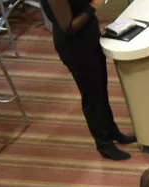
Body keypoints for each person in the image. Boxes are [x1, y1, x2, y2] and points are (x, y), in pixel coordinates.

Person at [43, 0, 136, 160]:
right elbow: (69, 27)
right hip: (75, 47)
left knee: (101, 88)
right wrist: (93, 5)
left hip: (89, 35)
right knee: (92, 96)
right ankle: (103, 143)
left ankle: (112, 131)